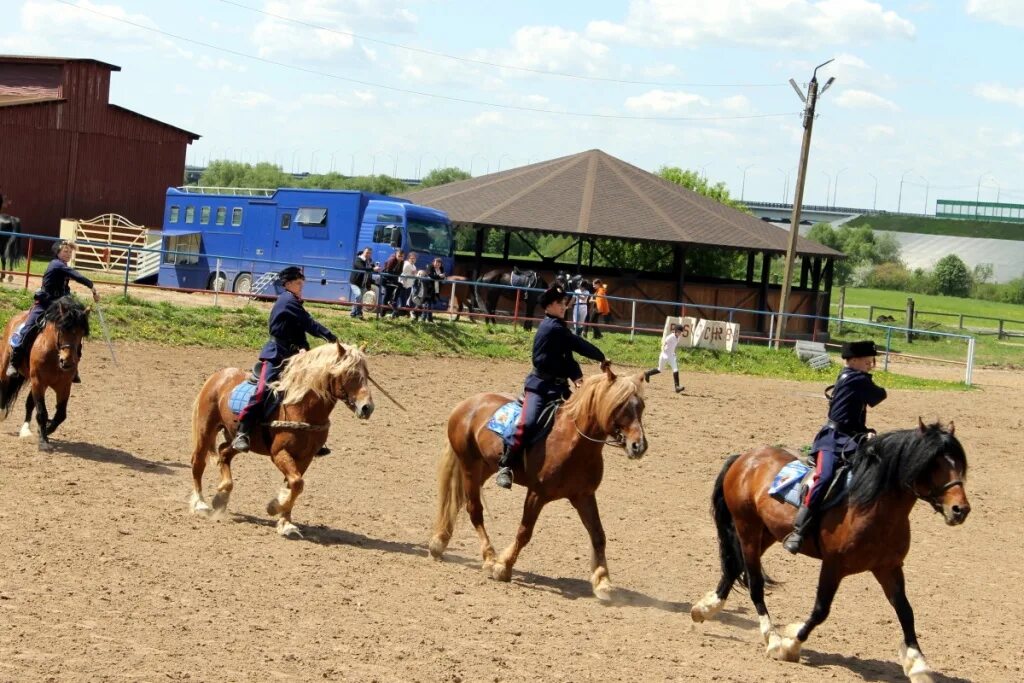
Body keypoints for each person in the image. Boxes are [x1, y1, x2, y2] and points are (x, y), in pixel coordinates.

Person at [495, 284, 609, 489]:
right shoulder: (552, 327)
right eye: (559, 303)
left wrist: (577, 378)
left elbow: (567, 357)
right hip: (539, 387)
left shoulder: (559, 328)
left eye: (564, 303)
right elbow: (577, 344)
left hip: (558, 388)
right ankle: (506, 464)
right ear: (548, 307)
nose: (563, 306)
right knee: (527, 423)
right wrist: (600, 356)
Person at [783, 340, 888, 554]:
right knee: (824, 475)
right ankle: (799, 530)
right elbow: (880, 395)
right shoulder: (856, 378)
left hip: (852, 438)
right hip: (832, 439)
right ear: (855, 360)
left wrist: (864, 432)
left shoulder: (855, 377)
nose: (872, 363)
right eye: (869, 360)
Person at [231, 266, 338, 453]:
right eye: (298, 283)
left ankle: (310, 433)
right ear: (288, 284)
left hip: (292, 357)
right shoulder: (287, 300)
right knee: (263, 390)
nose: (301, 286)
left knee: (310, 390)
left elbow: (298, 331)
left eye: (301, 283)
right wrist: (331, 338)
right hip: (276, 355)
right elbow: (308, 324)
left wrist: (304, 347)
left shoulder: (294, 301)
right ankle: (243, 431)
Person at [6, 240, 99, 382]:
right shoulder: (56, 264)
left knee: (74, 329)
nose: (68, 254)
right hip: (44, 304)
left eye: (69, 252)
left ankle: (74, 367)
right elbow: (75, 275)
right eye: (65, 251)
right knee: (28, 327)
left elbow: (65, 289)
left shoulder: (64, 267)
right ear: (57, 253)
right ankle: (14, 362)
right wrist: (91, 285)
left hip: (59, 305)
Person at [648, 323, 686, 393]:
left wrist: (674, 353)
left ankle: (677, 387)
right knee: (660, 369)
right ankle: (647, 373)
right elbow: (664, 343)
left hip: (671, 356)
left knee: (675, 369)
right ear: (675, 331)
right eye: (679, 332)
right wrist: (663, 350)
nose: (680, 333)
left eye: (681, 332)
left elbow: (674, 346)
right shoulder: (670, 337)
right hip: (664, 355)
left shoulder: (678, 337)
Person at [348, 247, 377, 319]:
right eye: (367, 252)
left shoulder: (369, 261)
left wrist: (376, 269)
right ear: (363, 252)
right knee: (358, 296)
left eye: (370, 253)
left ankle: (353, 313)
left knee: (359, 299)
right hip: (355, 282)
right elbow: (362, 268)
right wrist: (373, 269)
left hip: (363, 283)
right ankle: (359, 313)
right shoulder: (358, 260)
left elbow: (372, 269)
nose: (368, 254)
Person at [378, 248, 404, 318]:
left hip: (393, 279)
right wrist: (395, 274)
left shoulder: (402, 262)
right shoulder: (392, 260)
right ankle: (393, 302)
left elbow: (400, 271)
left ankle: (383, 313)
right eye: (399, 256)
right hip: (386, 279)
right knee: (399, 286)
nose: (400, 258)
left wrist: (395, 274)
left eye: (401, 256)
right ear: (396, 255)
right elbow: (388, 271)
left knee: (388, 295)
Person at [423, 257, 445, 322]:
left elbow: (442, 277)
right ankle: (424, 317)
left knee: (431, 303)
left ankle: (428, 318)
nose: (437, 264)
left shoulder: (441, 268)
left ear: (441, 264)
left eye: (439, 263)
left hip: (436, 288)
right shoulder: (430, 267)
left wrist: (442, 277)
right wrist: (439, 276)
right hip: (428, 288)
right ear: (433, 262)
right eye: (436, 262)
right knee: (427, 303)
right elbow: (430, 275)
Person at [397, 251, 419, 317]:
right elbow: (403, 273)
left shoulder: (414, 266)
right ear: (408, 258)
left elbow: (414, 274)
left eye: (414, 258)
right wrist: (413, 273)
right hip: (403, 284)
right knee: (402, 300)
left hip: (409, 285)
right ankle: (398, 313)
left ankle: (403, 313)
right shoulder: (406, 264)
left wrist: (415, 273)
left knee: (405, 300)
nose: (413, 260)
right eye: (411, 258)